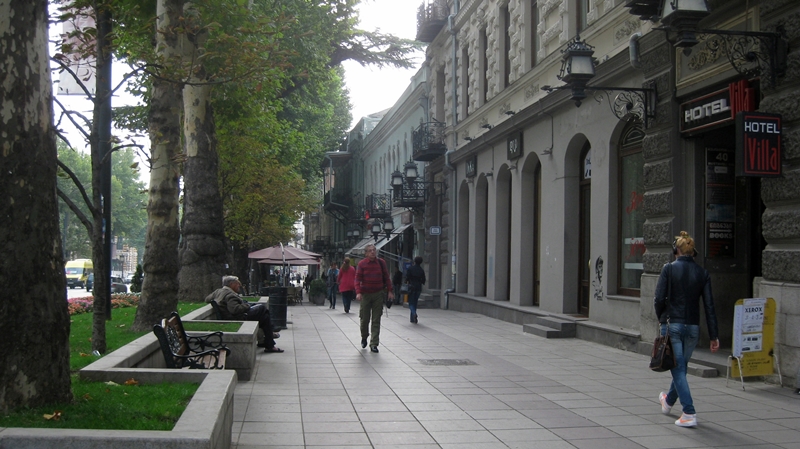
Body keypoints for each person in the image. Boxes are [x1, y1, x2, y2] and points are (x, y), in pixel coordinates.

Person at [654, 231, 719, 427]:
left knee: (678, 368)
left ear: (676, 250)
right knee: (680, 367)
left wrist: (661, 317)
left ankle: (689, 412)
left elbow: (659, 299)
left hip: (672, 324)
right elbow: (709, 306)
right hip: (692, 328)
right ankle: (668, 401)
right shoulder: (702, 273)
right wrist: (714, 335)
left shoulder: (669, 269)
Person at [205, 275, 283, 354]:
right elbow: (235, 310)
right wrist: (246, 306)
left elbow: (207, 299)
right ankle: (270, 335)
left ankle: (267, 341)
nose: (239, 285)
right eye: (237, 283)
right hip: (237, 318)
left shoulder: (218, 291)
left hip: (231, 316)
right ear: (231, 284)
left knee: (264, 317)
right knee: (262, 308)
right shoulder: (230, 295)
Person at [355, 244, 393, 353]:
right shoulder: (362, 264)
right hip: (365, 295)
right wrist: (358, 292)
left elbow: (387, 277)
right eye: (370, 250)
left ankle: (374, 343)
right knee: (364, 319)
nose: (372, 252)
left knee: (376, 319)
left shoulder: (381, 263)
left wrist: (390, 291)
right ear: (366, 253)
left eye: (374, 250)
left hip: (378, 294)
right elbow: (357, 279)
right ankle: (364, 336)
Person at [405, 256, 426, 324]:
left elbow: (407, 277)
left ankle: (414, 314)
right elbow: (423, 280)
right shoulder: (421, 270)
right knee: (415, 302)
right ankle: (412, 319)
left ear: (414, 261)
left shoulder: (410, 268)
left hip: (412, 287)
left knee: (411, 303)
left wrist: (407, 282)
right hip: (418, 287)